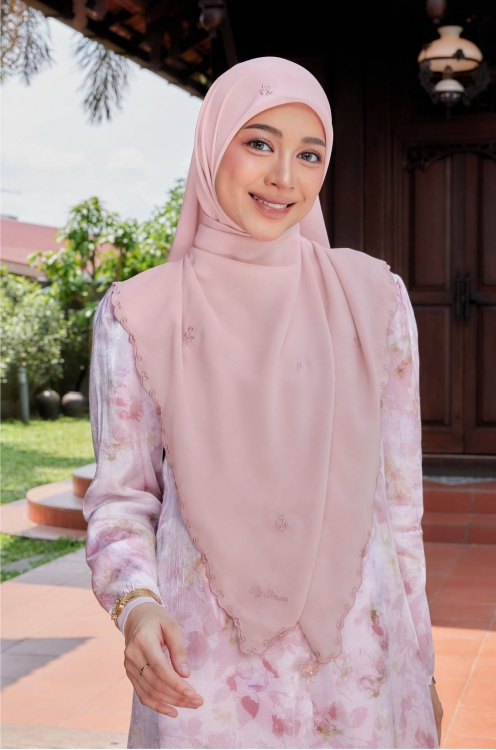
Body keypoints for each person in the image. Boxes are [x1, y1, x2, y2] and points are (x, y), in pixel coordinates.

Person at [84, 56, 443, 749]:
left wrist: (420, 665)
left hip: (362, 677)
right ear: (212, 146)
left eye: (310, 155)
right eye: (258, 143)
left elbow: (401, 512)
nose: (285, 176)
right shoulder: (138, 314)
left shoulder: (376, 301)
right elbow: (122, 500)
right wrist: (136, 607)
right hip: (206, 680)